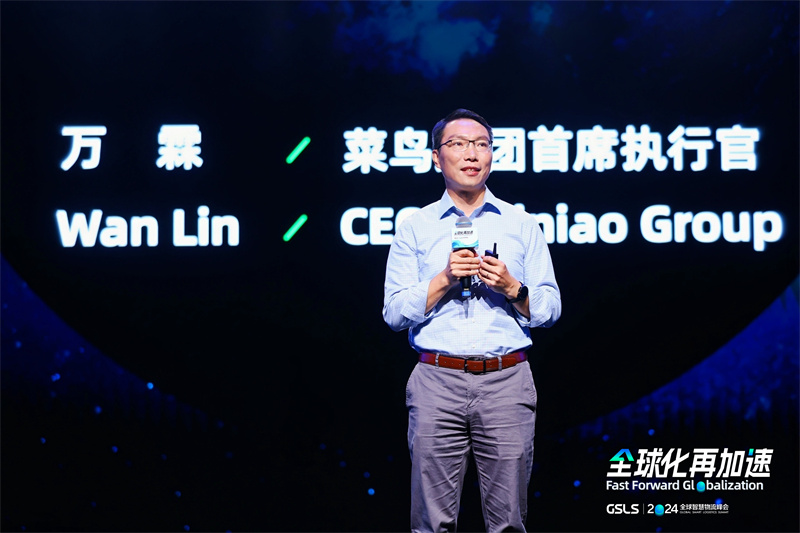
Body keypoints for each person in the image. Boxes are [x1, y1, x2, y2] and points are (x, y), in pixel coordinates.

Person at [382, 108, 561, 532]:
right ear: (436, 157)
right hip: (436, 380)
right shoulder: (415, 227)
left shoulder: (521, 224)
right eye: (458, 144)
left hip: (506, 380)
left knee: (508, 522)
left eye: (481, 144)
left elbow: (551, 308)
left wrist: (512, 287)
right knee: (431, 523)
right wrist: (444, 279)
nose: (471, 153)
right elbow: (393, 312)